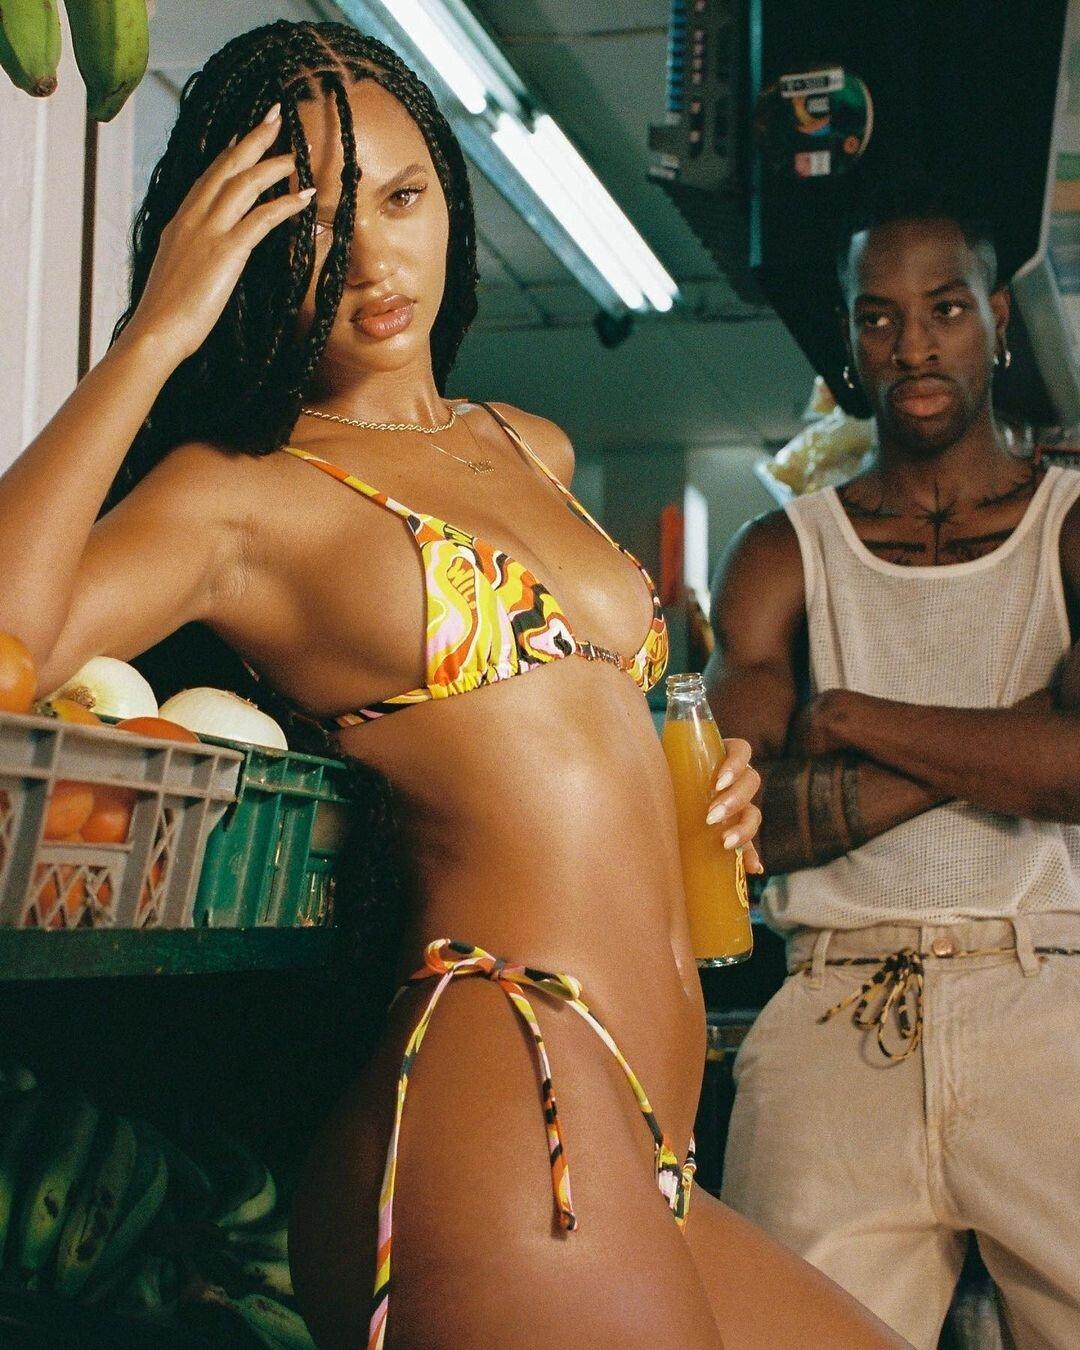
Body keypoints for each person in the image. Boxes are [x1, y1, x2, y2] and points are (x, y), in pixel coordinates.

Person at [0, 21, 904, 1348]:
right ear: (233, 243)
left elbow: (556, 749)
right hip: (503, 1099)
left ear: (448, 195)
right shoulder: (241, 497)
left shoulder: (528, 447)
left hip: (644, 1139)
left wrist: (699, 799)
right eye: (309, 225)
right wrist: (153, 335)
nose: (372, 261)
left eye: (403, 196)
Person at [707, 174, 1080, 1350]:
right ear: (849, 340)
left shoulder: (1072, 528)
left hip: (1048, 995)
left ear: (997, 319)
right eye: (880, 318)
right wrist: (1015, 742)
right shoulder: (780, 554)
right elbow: (742, 821)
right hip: (836, 1007)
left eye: (945, 309)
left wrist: (853, 715)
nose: (913, 344)